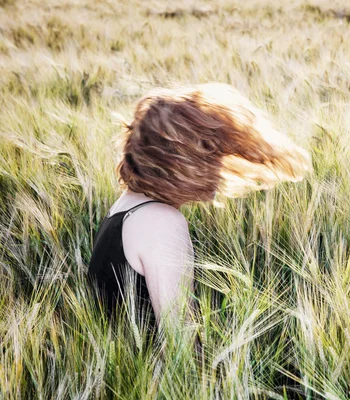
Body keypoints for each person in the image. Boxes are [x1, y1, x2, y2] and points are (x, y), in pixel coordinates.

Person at [87, 82, 311, 334]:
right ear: (177, 162)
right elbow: (180, 346)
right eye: (207, 156)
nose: (219, 167)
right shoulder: (160, 222)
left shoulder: (124, 208)